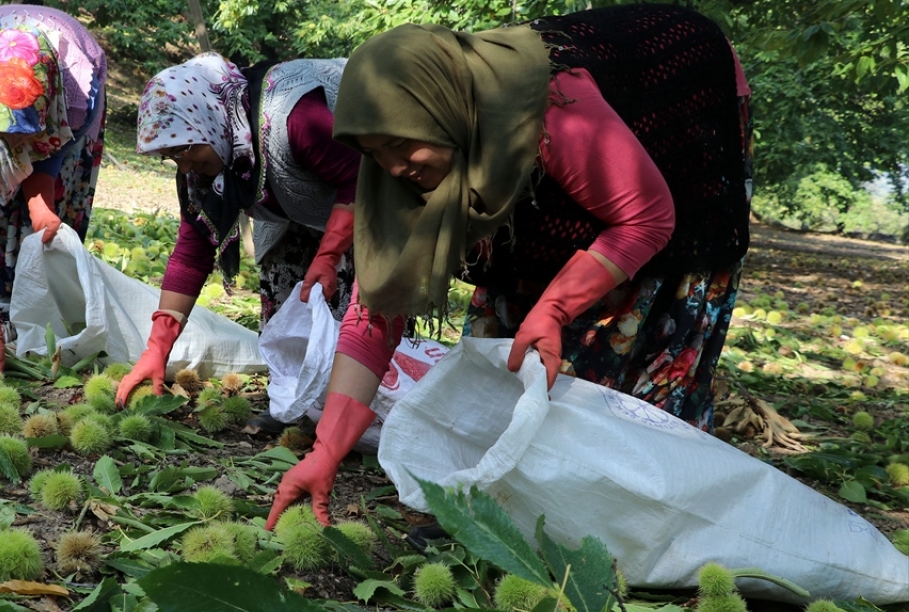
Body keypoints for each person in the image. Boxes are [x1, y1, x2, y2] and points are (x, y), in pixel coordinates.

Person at [266, 4, 754, 529]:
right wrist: (326, 450)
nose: (394, 167)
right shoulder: (396, 167)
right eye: (374, 152)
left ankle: (628, 519)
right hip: (538, 158)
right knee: (506, 354)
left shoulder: (555, 110)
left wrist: (555, 308)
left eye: (401, 145)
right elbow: (378, 306)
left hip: (680, 96)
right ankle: (498, 504)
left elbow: (646, 218)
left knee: (619, 347)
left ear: (441, 111)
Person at [114, 53, 361, 422]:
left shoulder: (294, 117)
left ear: (207, 118)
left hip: (364, 199)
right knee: (286, 302)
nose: (183, 165)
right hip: (293, 213)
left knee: (352, 313)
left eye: (185, 149)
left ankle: (353, 412)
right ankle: (298, 406)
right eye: (170, 156)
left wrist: (328, 256)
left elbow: (360, 178)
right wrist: (157, 349)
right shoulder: (202, 162)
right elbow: (192, 251)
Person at [0, 5, 107, 377]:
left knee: (48, 222)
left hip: (62, 95)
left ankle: (39, 307)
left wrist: (40, 203)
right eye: (7, 133)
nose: (16, 143)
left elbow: (49, 158)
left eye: (25, 133)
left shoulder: (76, 101)